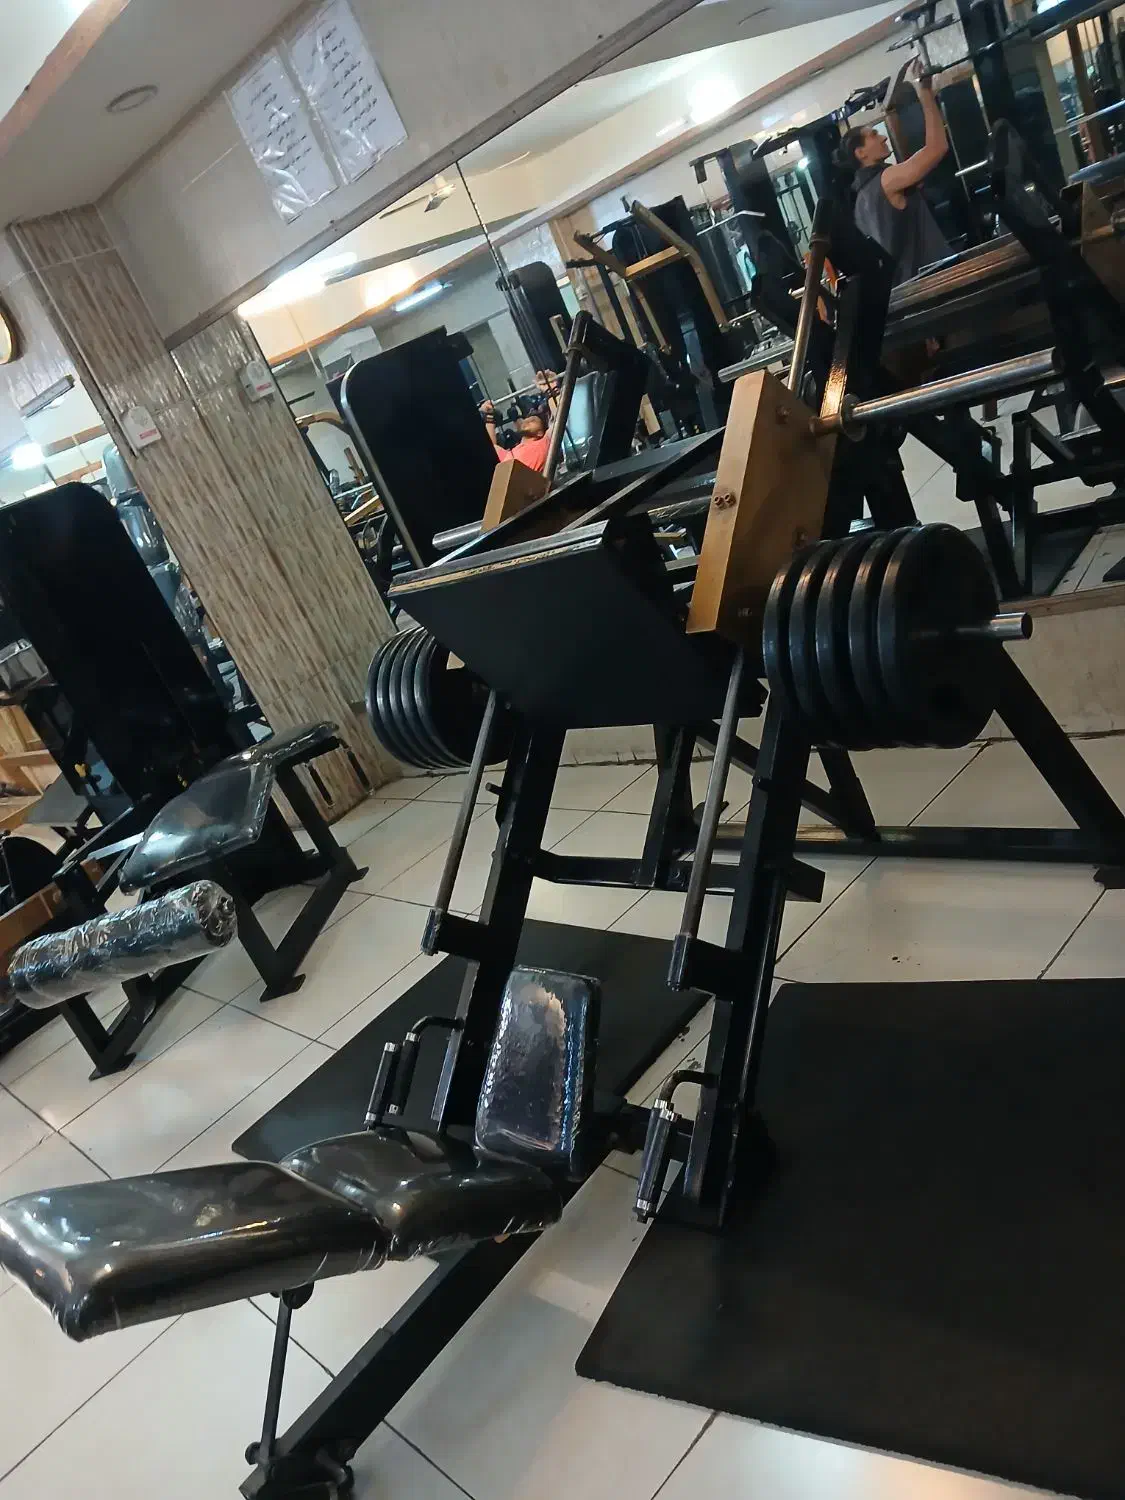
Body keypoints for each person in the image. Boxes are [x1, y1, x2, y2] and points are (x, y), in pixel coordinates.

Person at [840, 63, 951, 286]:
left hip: (910, 287)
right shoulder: (885, 180)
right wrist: (925, 92)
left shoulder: (861, 200)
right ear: (861, 153)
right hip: (930, 281)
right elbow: (937, 147)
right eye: (873, 135)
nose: (882, 137)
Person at [481, 402, 552, 473]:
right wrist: (490, 417)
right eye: (526, 419)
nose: (527, 421)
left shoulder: (544, 443)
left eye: (533, 421)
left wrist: (549, 394)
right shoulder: (511, 454)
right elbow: (491, 447)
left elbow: (557, 420)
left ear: (540, 433)